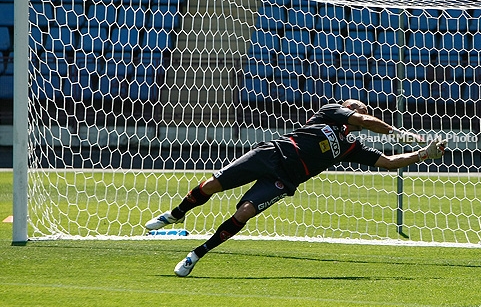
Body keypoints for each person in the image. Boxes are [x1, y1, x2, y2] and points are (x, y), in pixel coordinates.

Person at [145, 99, 446, 277]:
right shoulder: (330, 112)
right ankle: (175, 214)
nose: (351, 106)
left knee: (246, 212)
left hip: (284, 179)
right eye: (351, 106)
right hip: (269, 154)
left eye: (356, 106)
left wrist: (423, 153)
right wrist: (402, 133)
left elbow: (389, 161)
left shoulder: (351, 147)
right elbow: (365, 119)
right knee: (210, 185)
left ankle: (196, 255)